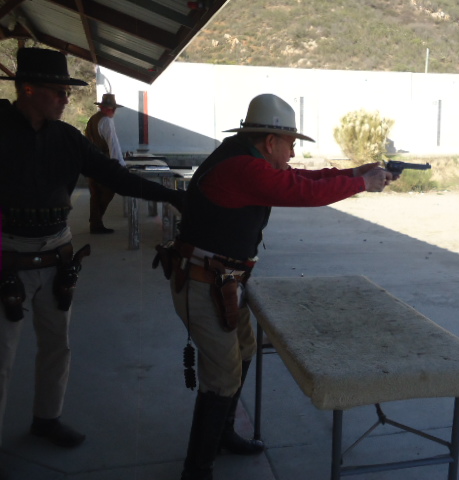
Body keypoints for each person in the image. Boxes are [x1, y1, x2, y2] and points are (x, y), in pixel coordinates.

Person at [157, 93, 393, 480]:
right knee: (222, 377)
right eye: (290, 143)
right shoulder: (244, 168)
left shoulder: (241, 158)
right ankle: (196, 470)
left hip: (221, 283)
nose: (293, 152)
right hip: (205, 284)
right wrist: (362, 183)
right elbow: (302, 191)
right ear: (270, 142)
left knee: (245, 350)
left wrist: (354, 174)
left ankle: (222, 435)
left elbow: (299, 180)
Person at [0, 47, 184, 454]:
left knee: (57, 346)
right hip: (6, 258)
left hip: (57, 257)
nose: (66, 98)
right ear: (27, 89)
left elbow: (116, 176)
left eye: (68, 91)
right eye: (58, 91)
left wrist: (174, 197)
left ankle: (47, 419)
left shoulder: (67, 138)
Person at [84, 93, 126, 234]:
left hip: (92, 161)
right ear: (111, 109)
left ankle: (95, 223)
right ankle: (96, 222)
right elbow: (113, 145)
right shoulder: (107, 121)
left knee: (95, 193)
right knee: (107, 190)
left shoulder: (93, 119)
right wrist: (120, 166)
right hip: (104, 162)